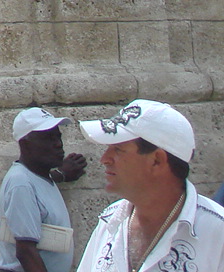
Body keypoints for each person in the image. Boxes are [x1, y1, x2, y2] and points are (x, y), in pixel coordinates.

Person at [76, 99, 224, 271]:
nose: (104, 159)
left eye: (118, 149)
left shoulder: (217, 231)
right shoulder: (110, 220)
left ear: (157, 160)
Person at [0, 107, 88, 272]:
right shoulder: (21, 183)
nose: (58, 144)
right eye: (48, 138)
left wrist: (62, 174)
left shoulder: (37, 178)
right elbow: (26, 252)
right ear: (25, 144)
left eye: (58, 137)